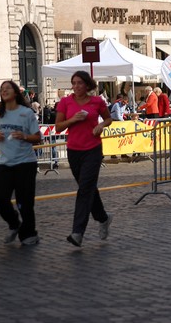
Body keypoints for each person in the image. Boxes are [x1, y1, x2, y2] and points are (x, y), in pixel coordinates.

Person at [55, 71, 113, 247]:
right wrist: (73, 119)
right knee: (87, 187)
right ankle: (103, 218)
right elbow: (58, 127)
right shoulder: (65, 102)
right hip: (74, 150)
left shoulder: (97, 101)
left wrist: (101, 125)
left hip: (93, 150)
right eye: (74, 83)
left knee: (84, 189)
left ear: (87, 85)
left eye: (80, 83)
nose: (77, 86)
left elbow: (109, 118)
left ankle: (77, 232)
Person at [0, 80, 41, 246]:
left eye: (7, 88)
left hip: (25, 163)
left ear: (15, 93)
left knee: (25, 202)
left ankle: (29, 234)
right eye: (2, 89)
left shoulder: (26, 113)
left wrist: (24, 136)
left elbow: (38, 137)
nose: (4, 91)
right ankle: (14, 223)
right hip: (5, 163)